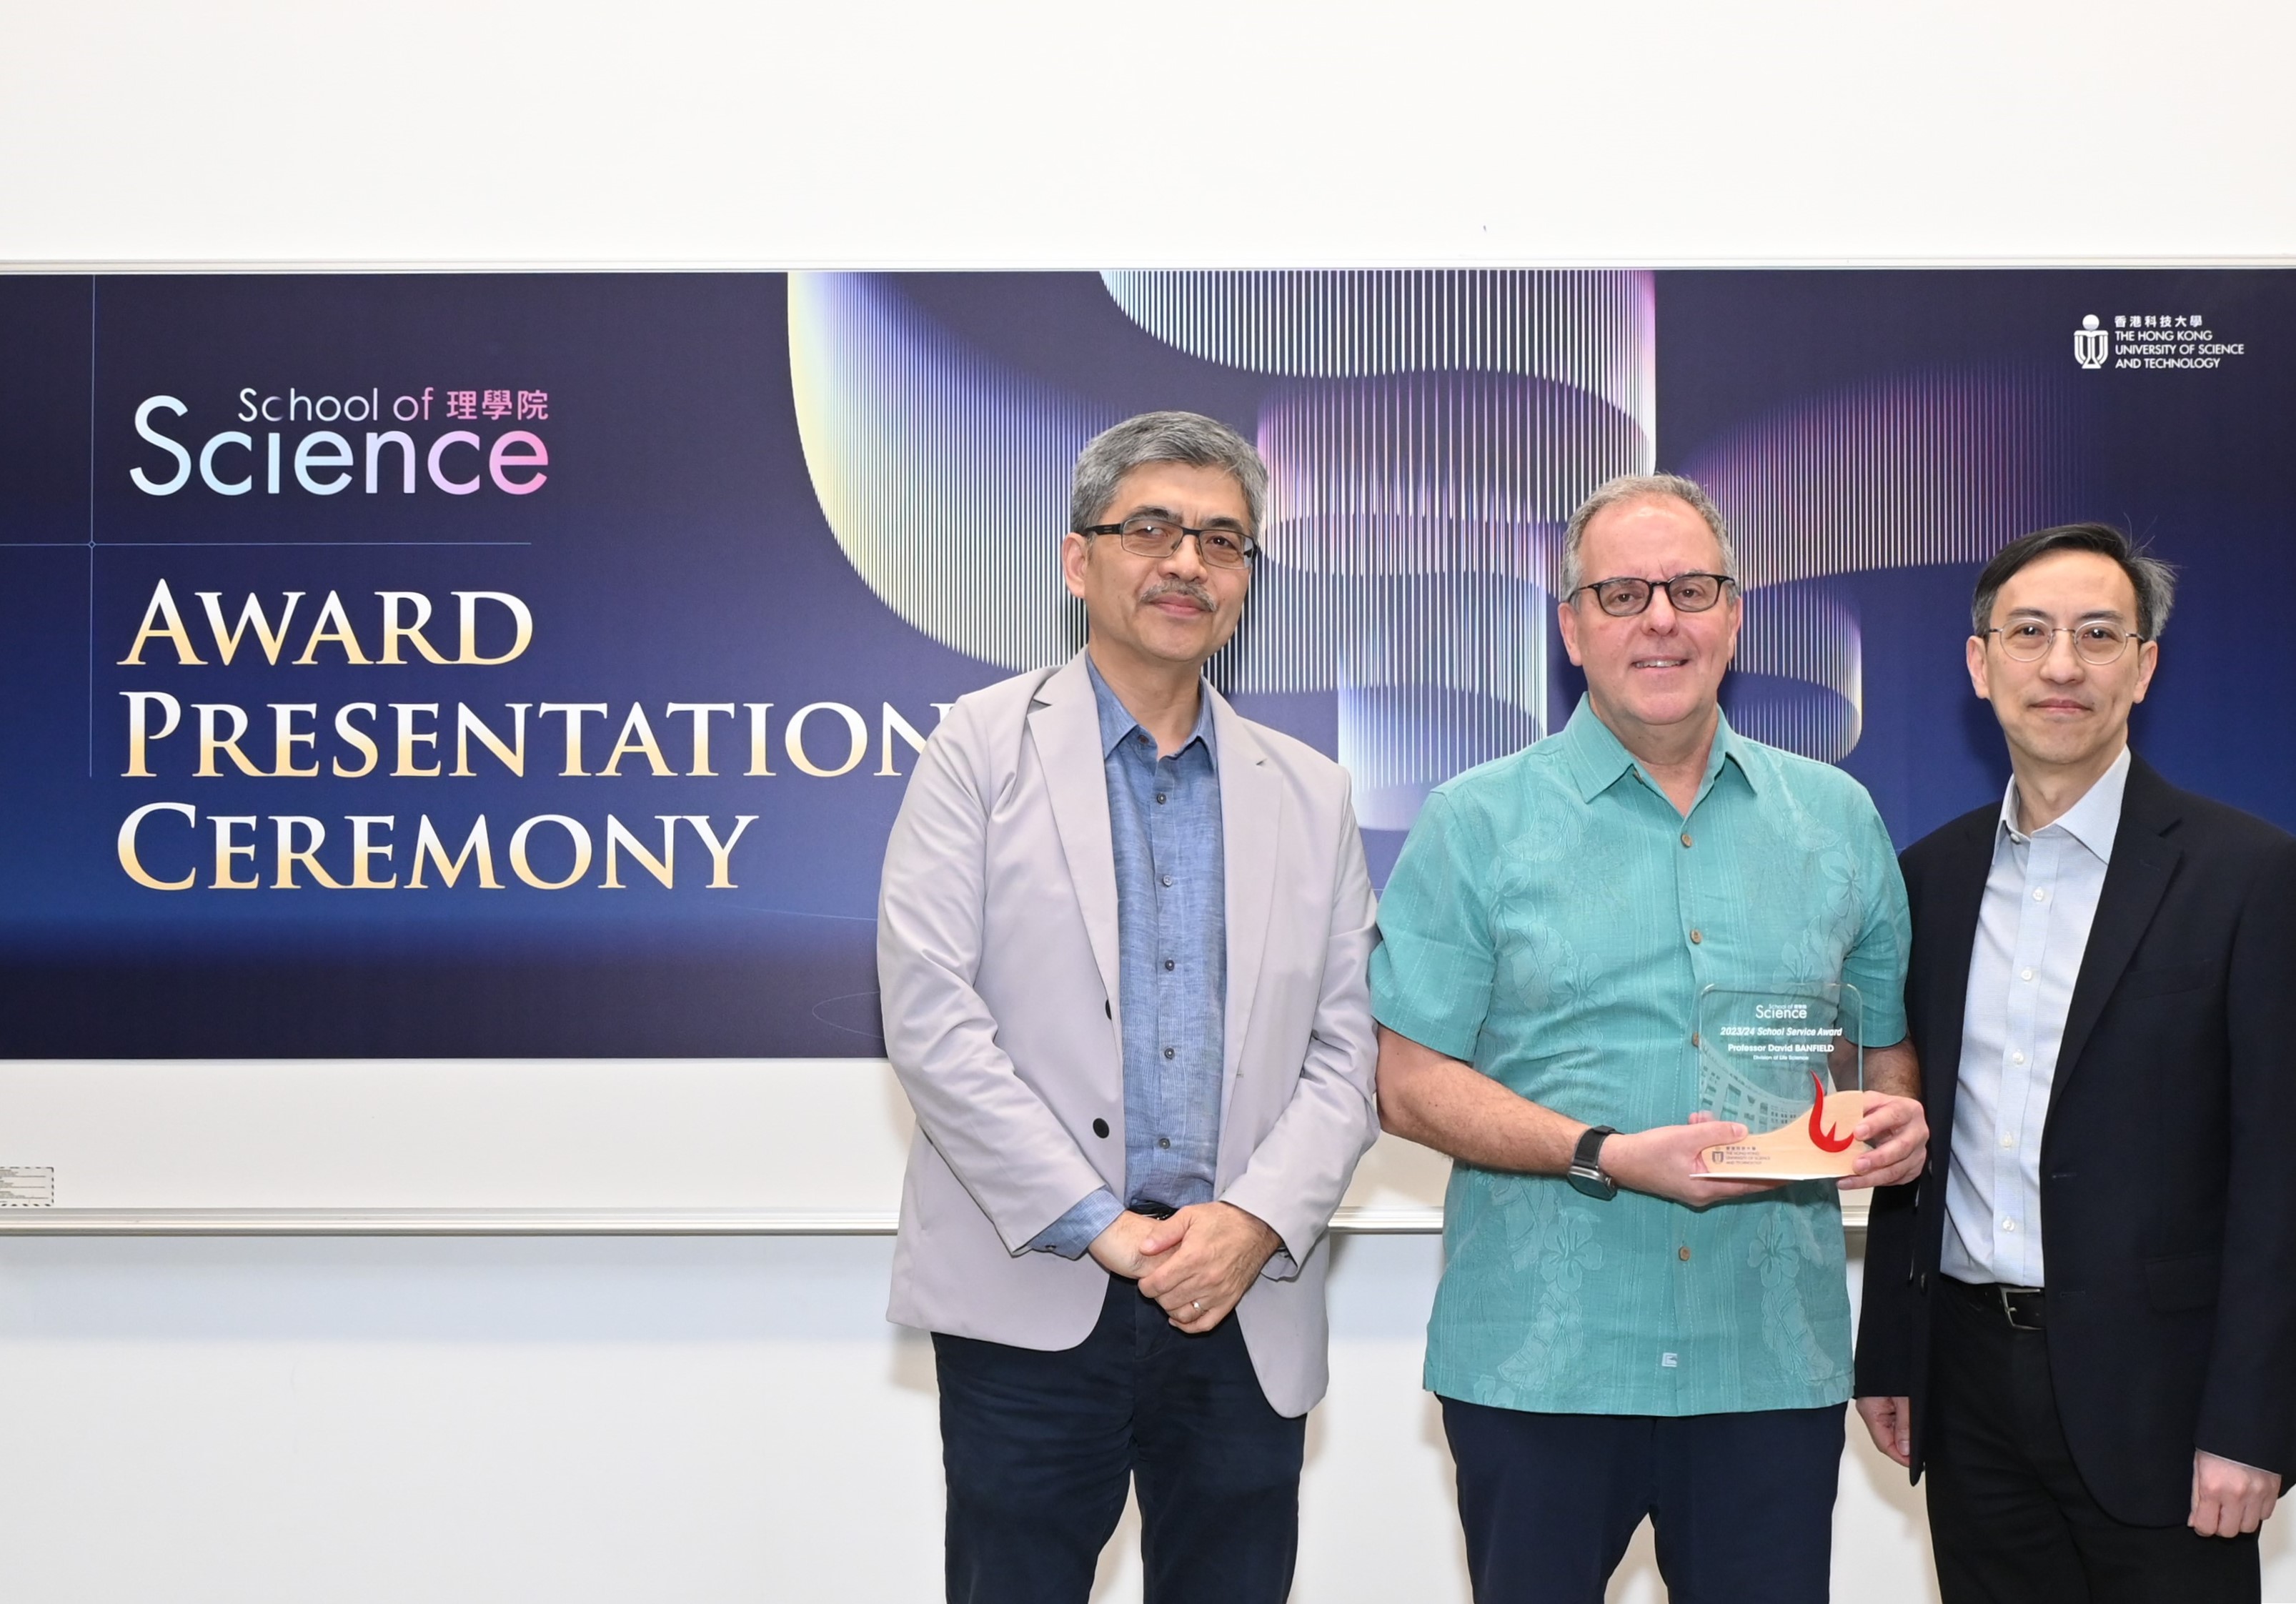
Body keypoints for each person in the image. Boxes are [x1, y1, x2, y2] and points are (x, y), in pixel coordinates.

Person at [1371, 473, 1931, 1604]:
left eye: (1690, 587)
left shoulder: (1836, 820)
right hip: (1540, 1364)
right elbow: (1407, 1081)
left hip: (1765, 1362)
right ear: (1570, 626)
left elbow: (1880, 1052)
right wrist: (1604, 1152)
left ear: (1734, 615)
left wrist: (1893, 1115)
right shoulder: (1472, 822)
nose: (1660, 618)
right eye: (1621, 593)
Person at [877, 410, 1381, 1604]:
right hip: (1038, 1289)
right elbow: (931, 1016)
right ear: (1077, 559)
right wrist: (1101, 1222)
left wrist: (1250, 1220)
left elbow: (1349, 1047)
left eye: (1221, 540)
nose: (1185, 563)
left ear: (1247, 580)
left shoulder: (1308, 791)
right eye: (1150, 527)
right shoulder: (977, 748)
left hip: (1238, 1298)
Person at [1855, 523, 2296, 1603]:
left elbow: (2280, 1171)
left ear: (2142, 668)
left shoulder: (2247, 874)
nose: (2062, 665)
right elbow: (1916, 1114)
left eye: (2098, 634)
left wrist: (2254, 1421)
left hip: (2165, 1406)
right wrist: (1890, 1353)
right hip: (1966, 1393)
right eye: (2029, 632)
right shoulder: (1927, 876)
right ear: (1978, 662)